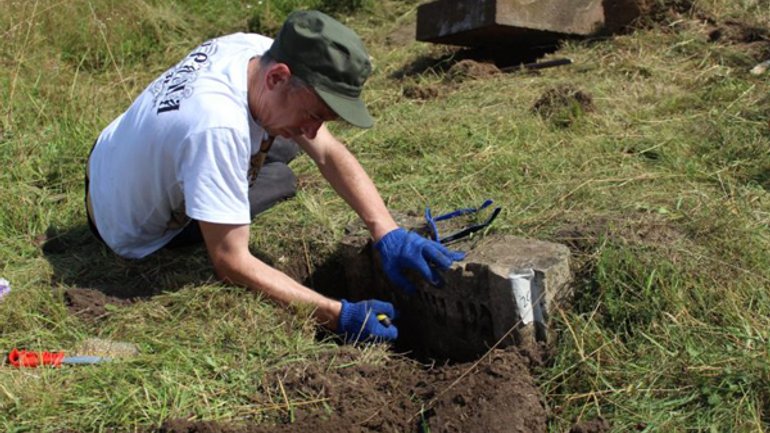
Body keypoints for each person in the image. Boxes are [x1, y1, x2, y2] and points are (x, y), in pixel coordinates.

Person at [85, 10, 464, 343]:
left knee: (290, 141)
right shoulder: (217, 129)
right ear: (278, 77)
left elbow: (329, 152)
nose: (316, 130)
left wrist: (388, 232)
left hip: (109, 156)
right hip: (126, 227)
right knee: (281, 178)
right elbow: (231, 261)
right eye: (316, 114)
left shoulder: (253, 50)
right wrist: (338, 315)